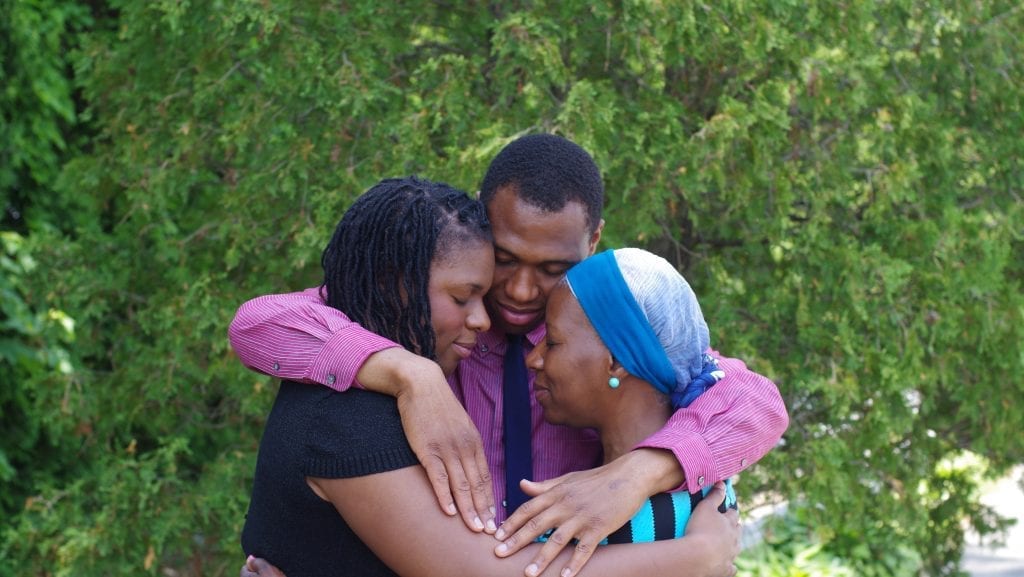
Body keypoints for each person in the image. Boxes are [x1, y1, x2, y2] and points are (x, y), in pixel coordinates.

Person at [230, 134, 789, 577]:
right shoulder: (431, 330)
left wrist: (640, 473)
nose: (521, 291)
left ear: (593, 240)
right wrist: (411, 376)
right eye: (505, 257)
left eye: (552, 268)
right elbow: (258, 324)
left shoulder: (610, 335)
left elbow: (754, 401)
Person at [530, 248, 738, 544]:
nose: (533, 359)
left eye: (551, 342)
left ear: (616, 362)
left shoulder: (588, 521)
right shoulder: (712, 499)